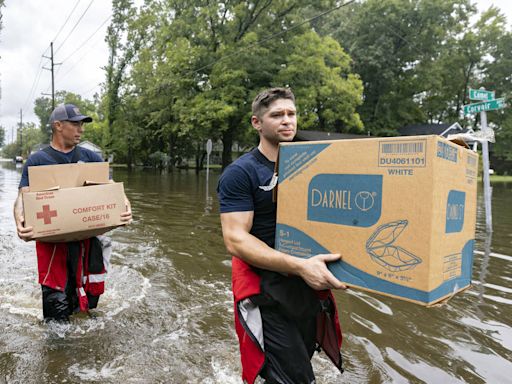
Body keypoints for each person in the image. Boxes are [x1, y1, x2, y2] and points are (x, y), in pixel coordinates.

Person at [217, 88, 346, 384]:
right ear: (257, 123)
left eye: (291, 114)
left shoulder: (312, 166)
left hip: (306, 286)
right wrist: (299, 266)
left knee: (295, 363)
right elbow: (235, 239)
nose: (287, 121)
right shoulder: (241, 173)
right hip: (266, 291)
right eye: (277, 115)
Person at [13, 103, 132, 322]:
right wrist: (20, 221)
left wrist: (125, 204)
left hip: (86, 241)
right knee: (56, 311)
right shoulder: (38, 161)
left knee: (87, 306)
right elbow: (23, 196)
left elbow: (111, 186)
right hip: (52, 245)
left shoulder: (91, 157)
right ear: (58, 125)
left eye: (82, 124)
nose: (81, 129)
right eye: (75, 124)